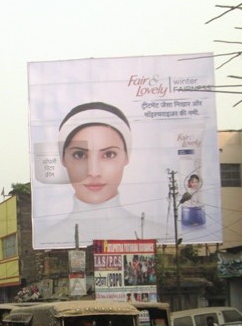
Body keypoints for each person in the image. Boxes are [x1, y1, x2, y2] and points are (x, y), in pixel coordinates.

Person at [39, 102, 164, 247]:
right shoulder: (48, 239)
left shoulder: (161, 234)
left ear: (126, 157)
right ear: (63, 159)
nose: (94, 172)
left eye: (109, 154)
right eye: (79, 155)